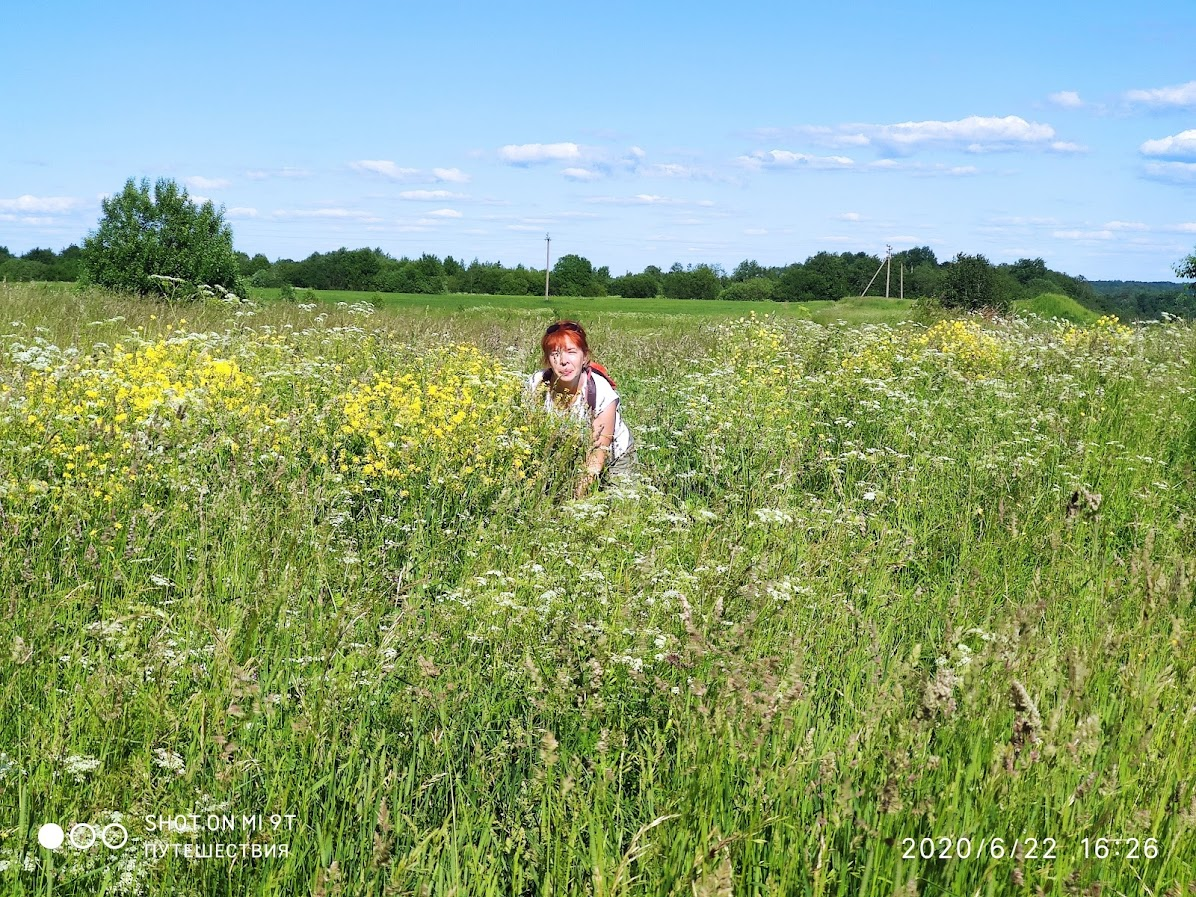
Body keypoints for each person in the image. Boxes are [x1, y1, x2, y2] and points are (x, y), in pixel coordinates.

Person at [527, 320, 634, 497]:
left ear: (584, 357)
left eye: (571, 352)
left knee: (621, 508)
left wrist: (574, 501)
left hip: (614, 456)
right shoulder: (537, 385)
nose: (563, 361)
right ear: (548, 360)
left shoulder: (600, 393)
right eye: (555, 354)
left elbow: (596, 459)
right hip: (566, 451)